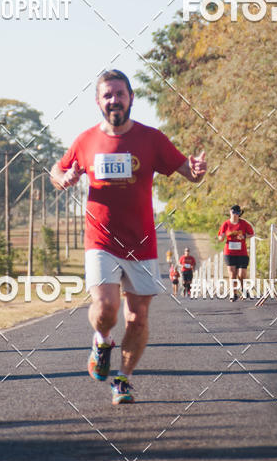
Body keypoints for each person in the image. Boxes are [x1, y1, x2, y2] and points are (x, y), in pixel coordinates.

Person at [50, 69, 207, 405]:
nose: (114, 100)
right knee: (106, 308)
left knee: (138, 317)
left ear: (131, 97)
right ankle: (102, 339)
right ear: (97, 101)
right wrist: (65, 178)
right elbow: (57, 170)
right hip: (101, 240)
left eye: (120, 93)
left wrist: (196, 172)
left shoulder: (152, 139)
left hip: (142, 242)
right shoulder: (86, 140)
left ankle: (122, 379)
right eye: (107, 95)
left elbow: (187, 172)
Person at [218, 205, 254, 300]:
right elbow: (220, 237)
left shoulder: (244, 223)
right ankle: (233, 294)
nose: (235, 215)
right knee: (232, 274)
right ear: (230, 212)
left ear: (239, 214)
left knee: (242, 274)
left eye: (237, 213)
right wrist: (221, 238)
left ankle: (243, 288)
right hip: (229, 253)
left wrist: (244, 236)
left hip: (242, 252)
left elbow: (251, 233)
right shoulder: (226, 224)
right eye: (233, 212)